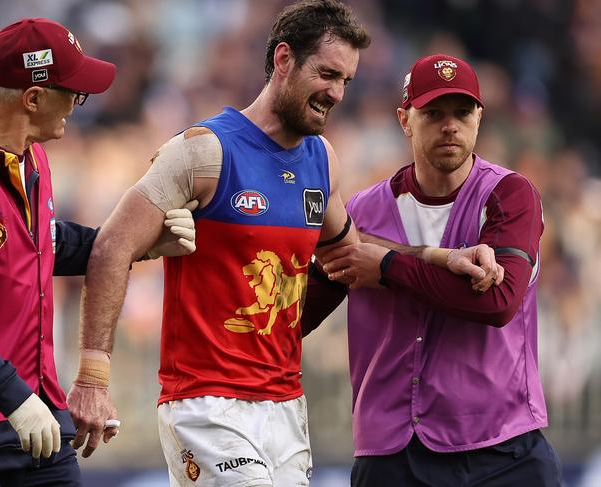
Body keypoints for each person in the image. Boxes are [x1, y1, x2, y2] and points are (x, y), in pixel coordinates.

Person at [66, 3, 497, 486]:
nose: (336, 93)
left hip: (285, 405)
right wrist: (92, 379)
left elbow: (348, 255)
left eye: (347, 81)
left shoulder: (321, 159)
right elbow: (112, 246)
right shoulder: (204, 150)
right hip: (208, 404)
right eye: (328, 74)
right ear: (285, 59)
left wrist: (441, 256)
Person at [0, 18, 193, 486]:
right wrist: (12, 398)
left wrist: (141, 244)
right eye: (74, 94)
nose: (80, 105)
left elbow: (42, 243)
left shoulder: (32, 155)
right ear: (34, 98)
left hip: (38, 425)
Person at [312, 53, 563, 486]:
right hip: (391, 456)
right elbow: (300, 310)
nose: (450, 125)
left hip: (502, 450)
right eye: (433, 113)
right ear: (404, 119)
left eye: (462, 112)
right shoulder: (363, 211)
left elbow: (498, 302)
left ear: (479, 118)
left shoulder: (509, 195)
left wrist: (387, 266)